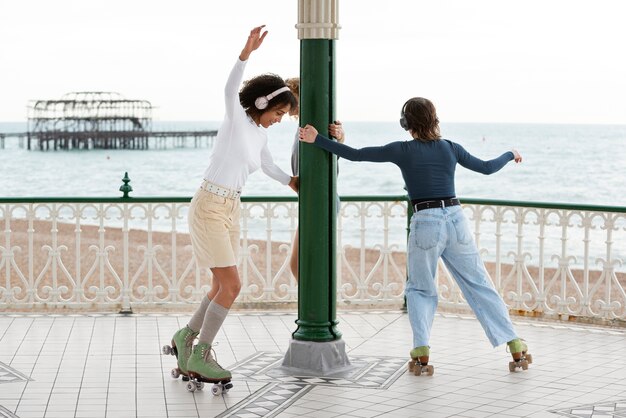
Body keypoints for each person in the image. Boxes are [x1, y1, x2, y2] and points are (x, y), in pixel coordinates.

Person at [299, 97, 532, 373]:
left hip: (426, 222)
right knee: (479, 283)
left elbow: (357, 154)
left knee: (421, 288)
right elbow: (486, 167)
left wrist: (318, 140)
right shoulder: (450, 148)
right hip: (456, 219)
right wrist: (510, 153)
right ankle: (514, 344)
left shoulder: (402, 150)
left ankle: (421, 350)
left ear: (405, 123)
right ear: (435, 120)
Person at [168, 26, 298, 387]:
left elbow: (269, 166)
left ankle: (185, 338)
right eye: (280, 112)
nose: (280, 119)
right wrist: (246, 53)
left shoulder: (260, 134)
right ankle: (200, 353)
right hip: (209, 205)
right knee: (232, 285)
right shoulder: (236, 119)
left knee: (219, 286)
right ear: (261, 103)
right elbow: (229, 89)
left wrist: (293, 182)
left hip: (230, 209)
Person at [285, 77, 345, 281]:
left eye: (289, 96)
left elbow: (334, 150)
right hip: (311, 198)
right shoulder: (303, 125)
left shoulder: (315, 124)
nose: (285, 102)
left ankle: (316, 312)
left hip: (321, 200)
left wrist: (340, 136)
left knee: (301, 264)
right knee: (300, 264)